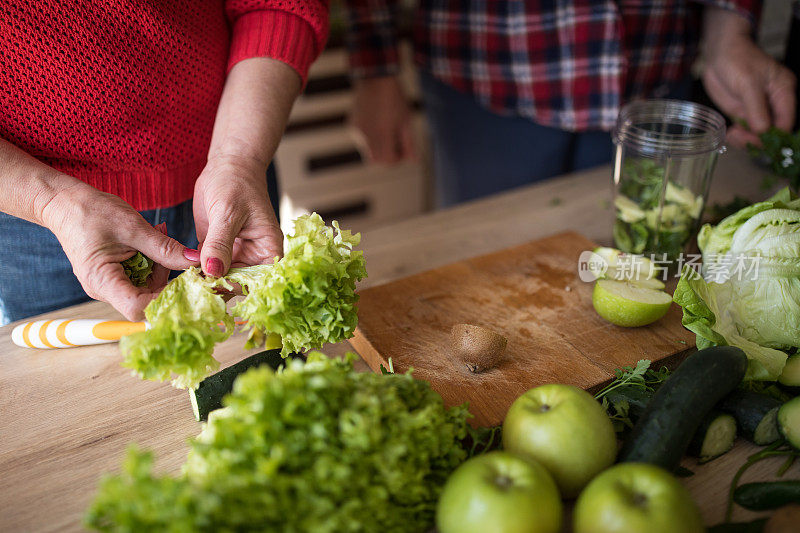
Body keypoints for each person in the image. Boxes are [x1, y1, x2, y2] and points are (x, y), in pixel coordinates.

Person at [0, 1, 329, 324]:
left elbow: (279, 5)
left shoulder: (238, 166)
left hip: (232, 177)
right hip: (39, 217)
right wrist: (50, 202)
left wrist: (239, 160)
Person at [344, 0, 796, 206]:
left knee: (650, 274)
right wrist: (376, 67)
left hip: (653, 80)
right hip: (483, 83)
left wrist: (728, 25)